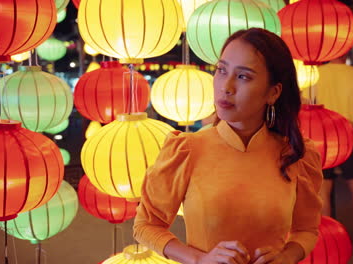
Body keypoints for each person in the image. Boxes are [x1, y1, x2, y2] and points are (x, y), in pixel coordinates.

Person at [133, 28, 323, 264]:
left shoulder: (296, 155)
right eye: (221, 71)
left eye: (243, 76)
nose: (226, 86)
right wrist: (199, 259)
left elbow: (307, 229)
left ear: (273, 92)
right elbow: (146, 225)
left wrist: (286, 256)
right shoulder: (187, 149)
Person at [304, 54, 353, 254]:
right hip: (351, 141)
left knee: (323, 191)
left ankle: (328, 238)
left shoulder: (314, 75)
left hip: (321, 142)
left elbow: (306, 108)